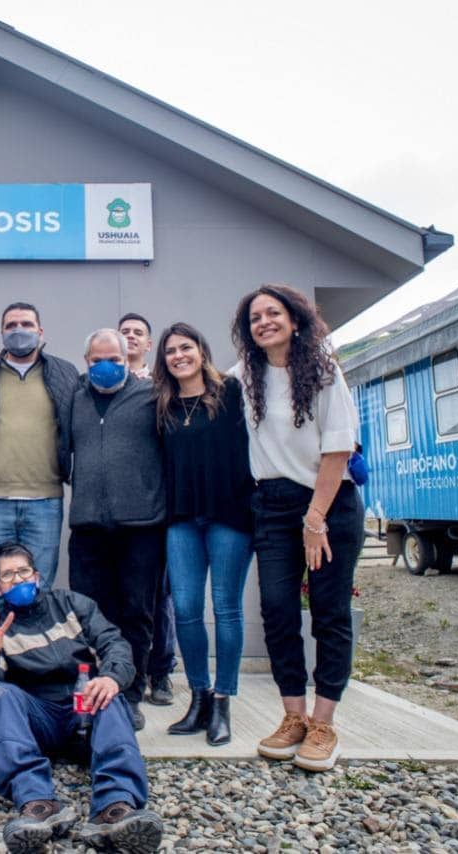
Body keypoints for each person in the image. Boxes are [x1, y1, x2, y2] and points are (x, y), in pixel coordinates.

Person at [230, 284, 362, 772]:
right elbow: (196, 378)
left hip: (327, 503)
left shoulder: (325, 372)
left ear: (295, 320)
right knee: (277, 611)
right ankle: (294, 717)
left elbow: (338, 448)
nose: (263, 322)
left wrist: (316, 519)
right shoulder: (245, 376)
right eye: (255, 317)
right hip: (271, 504)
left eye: (273, 313)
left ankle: (325, 723)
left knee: (329, 611)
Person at [0, 543, 163, 853]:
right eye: (8, 575)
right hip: (39, 719)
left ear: (36, 575)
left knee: (111, 695)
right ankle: (37, 803)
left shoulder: (72, 604)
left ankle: (115, 806)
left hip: (84, 710)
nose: (18, 579)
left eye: (23, 571)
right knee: (1, 693)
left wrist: (110, 678)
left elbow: (115, 644)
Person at [154, 322, 254, 746]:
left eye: (186, 347)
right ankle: (198, 698)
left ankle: (223, 701)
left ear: (201, 350)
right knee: (188, 609)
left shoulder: (232, 393)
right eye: (171, 351)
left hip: (229, 516)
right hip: (181, 520)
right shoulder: (162, 405)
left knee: (226, 607)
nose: (179, 355)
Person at [67, 328, 165, 731]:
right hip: (88, 526)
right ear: (85, 361)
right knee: (88, 615)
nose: (105, 367)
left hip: (141, 526)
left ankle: (129, 691)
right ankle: (91, 691)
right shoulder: (73, 397)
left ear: (130, 360)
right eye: (96, 360)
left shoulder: (152, 396)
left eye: (115, 360)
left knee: (136, 613)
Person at [0, 302, 78, 585]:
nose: (19, 331)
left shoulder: (65, 373)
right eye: (11, 326)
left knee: (38, 586)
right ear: (1, 333)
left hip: (46, 499)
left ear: (40, 331)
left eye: (26, 325)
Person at [120, 313, 177, 705]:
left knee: (161, 596)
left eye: (138, 332)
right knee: (129, 599)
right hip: (120, 512)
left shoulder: (163, 387)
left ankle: (162, 673)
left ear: (148, 342)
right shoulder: (103, 382)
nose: (130, 338)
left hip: (158, 507)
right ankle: (127, 672)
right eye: (124, 332)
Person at [118, 313, 153, 380]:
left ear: (148, 345)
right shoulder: (104, 381)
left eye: (138, 333)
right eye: (125, 332)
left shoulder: (160, 385)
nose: (130, 336)